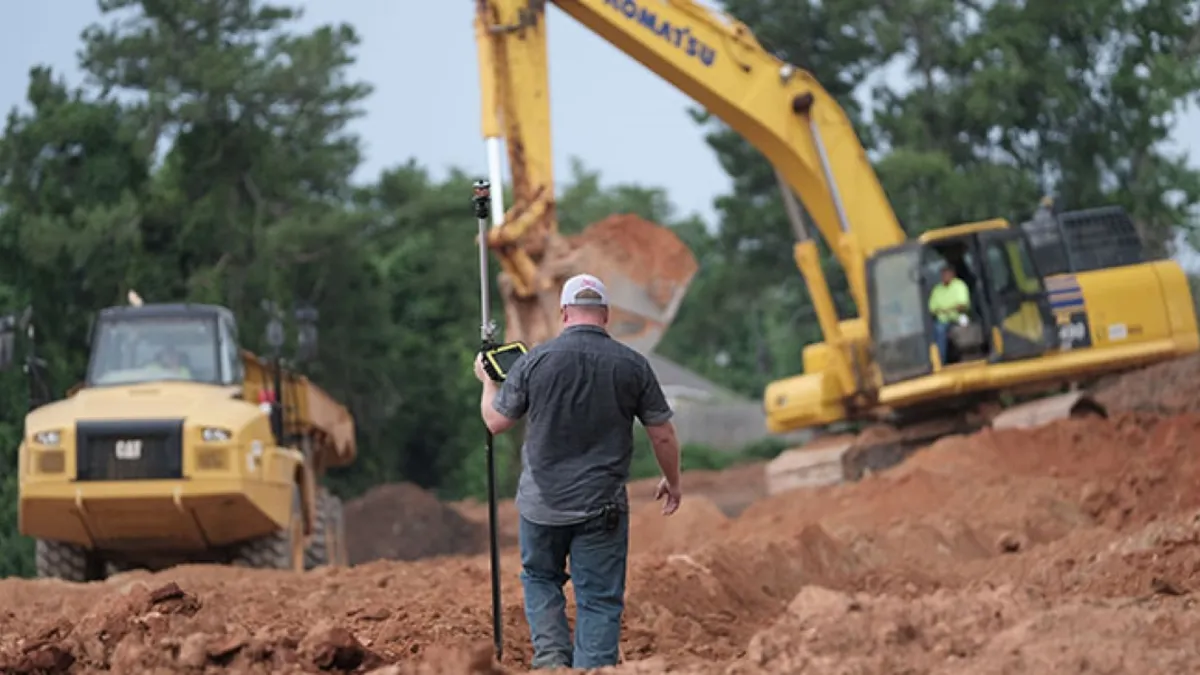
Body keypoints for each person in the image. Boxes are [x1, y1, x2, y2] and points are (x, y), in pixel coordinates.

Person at [473, 272, 683, 670]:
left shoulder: (535, 360)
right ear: (605, 315)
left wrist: (487, 382)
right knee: (599, 598)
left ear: (565, 312)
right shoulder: (633, 365)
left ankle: (551, 660)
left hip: (540, 505)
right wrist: (673, 482)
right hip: (600, 507)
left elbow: (496, 423)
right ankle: (593, 669)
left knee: (540, 578)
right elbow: (663, 436)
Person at [928, 264, 971, 365]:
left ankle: (941, 360)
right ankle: (936, 360)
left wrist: (945, 309)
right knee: (934, 330)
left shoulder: (959, 285)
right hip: (942, 320)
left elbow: (962, 306)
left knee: (940, 329)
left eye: (946, 273)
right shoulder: (937, 290)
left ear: (952, 274)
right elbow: (932, 309)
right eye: (943, 274)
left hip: (957, 318)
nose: (944, 276)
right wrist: (950, 308)